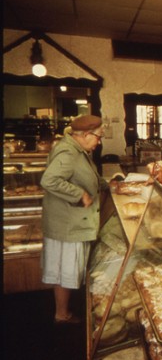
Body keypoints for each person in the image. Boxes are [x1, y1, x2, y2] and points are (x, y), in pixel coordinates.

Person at [40, 114, 109, 324]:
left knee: (66, 269)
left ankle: (63, 311)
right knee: (65, 270)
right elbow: (49, 180)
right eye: (98, 137)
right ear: (86, 135)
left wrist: (110, 185)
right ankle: (62, 314)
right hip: (67, 222)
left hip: (70, 220)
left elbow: (90, 178)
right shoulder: (68, 151)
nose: (99, 142)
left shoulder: (80, 150)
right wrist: (79, 194)